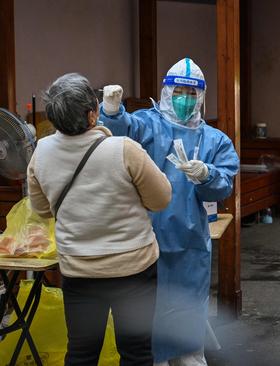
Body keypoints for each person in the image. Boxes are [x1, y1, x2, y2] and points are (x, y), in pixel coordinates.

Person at [100, 58, 240, 365]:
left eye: (192, 94)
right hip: (145, 239)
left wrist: (207, 174)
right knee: (149, 318)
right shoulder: (147, 124)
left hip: (189, 244)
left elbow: (223, 185)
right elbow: (117, 137)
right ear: (166, 91)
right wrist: (111, 112)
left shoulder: (215, 140)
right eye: (179, 91)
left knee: (187, 317)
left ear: (201, 97)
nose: (185, 99)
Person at [28, 73, 172, 365]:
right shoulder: (124, 149)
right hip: (133, 268)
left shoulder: (41, 152)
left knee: (81, 353)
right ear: (93, 113)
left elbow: (41, 209)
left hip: (79, 270)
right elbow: (161, 199)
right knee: (136, 353)